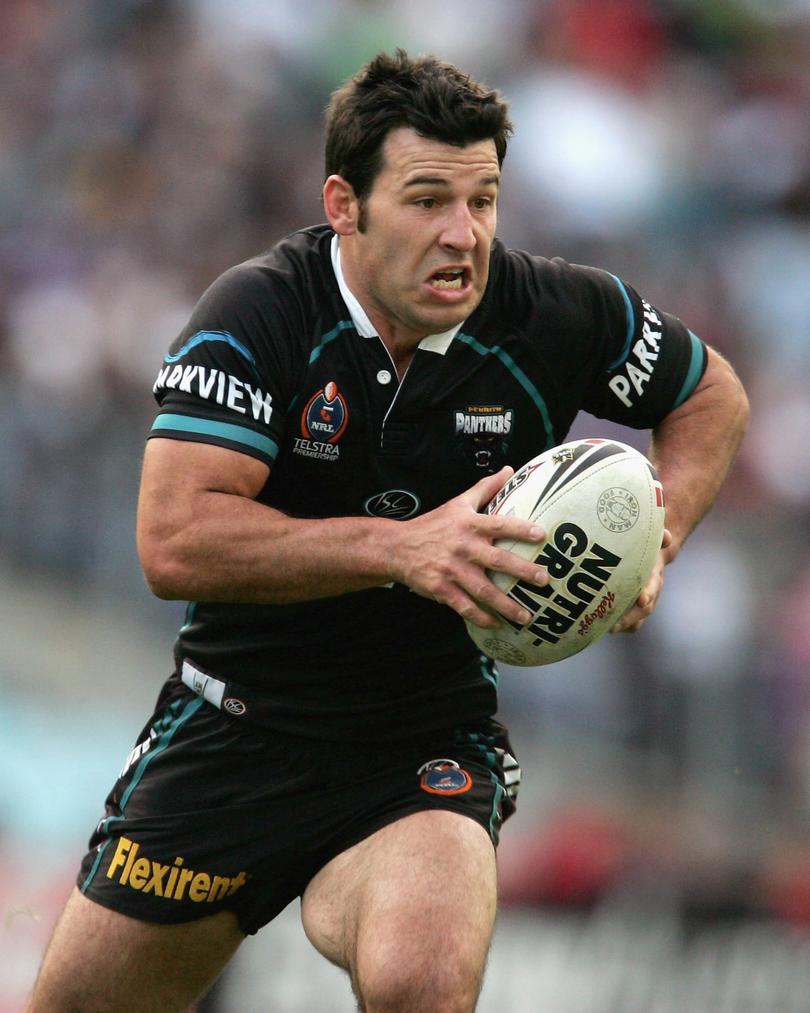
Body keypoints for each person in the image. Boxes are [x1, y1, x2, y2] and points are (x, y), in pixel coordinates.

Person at [28, 49, 749, 1013]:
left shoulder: (551, 312)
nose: (464, 235)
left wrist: (657, 540)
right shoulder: (260, 313)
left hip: (422, 744)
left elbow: (709, 394)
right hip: (236, 729)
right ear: (344, 203)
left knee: (422, 983)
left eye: (484, 200)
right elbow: (174, 541)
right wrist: (401, 548)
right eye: (426, 201)